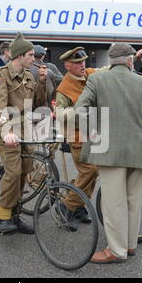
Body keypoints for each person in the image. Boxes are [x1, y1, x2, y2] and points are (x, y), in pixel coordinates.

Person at [74, 43, 142, 264]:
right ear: (131, 60)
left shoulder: (97, 80)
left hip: (109, 150)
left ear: (111, 61)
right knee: (134, 200)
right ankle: (130, 246)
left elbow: (80, 109)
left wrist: (91, 129)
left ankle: (116, 251)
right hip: (139, 150)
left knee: (113, 204)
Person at [0, 32, 47, 235]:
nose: (34, 58)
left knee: (24, 173)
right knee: (13, 172)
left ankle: (15, 214)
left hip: (26, 131)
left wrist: (43, 83)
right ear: (19, 55)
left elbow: (37, 104)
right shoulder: (1, 75)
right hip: (8, 132)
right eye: (30, 55)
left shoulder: (30, 75)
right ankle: (4, 216)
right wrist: (6, 132)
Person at [54, 46, 99, 231]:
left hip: (93, 133)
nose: (82, 64)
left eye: (83, 61)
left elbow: (105, 70)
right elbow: (58, 112)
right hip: (77, 135)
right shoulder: (63, 88)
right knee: (90, 170)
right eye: (77, 62)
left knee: (91, 173)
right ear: (67, 66)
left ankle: (79, 207)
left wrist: (131, 58)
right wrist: (80, 111)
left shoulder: (88, 74)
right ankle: (66, 205)